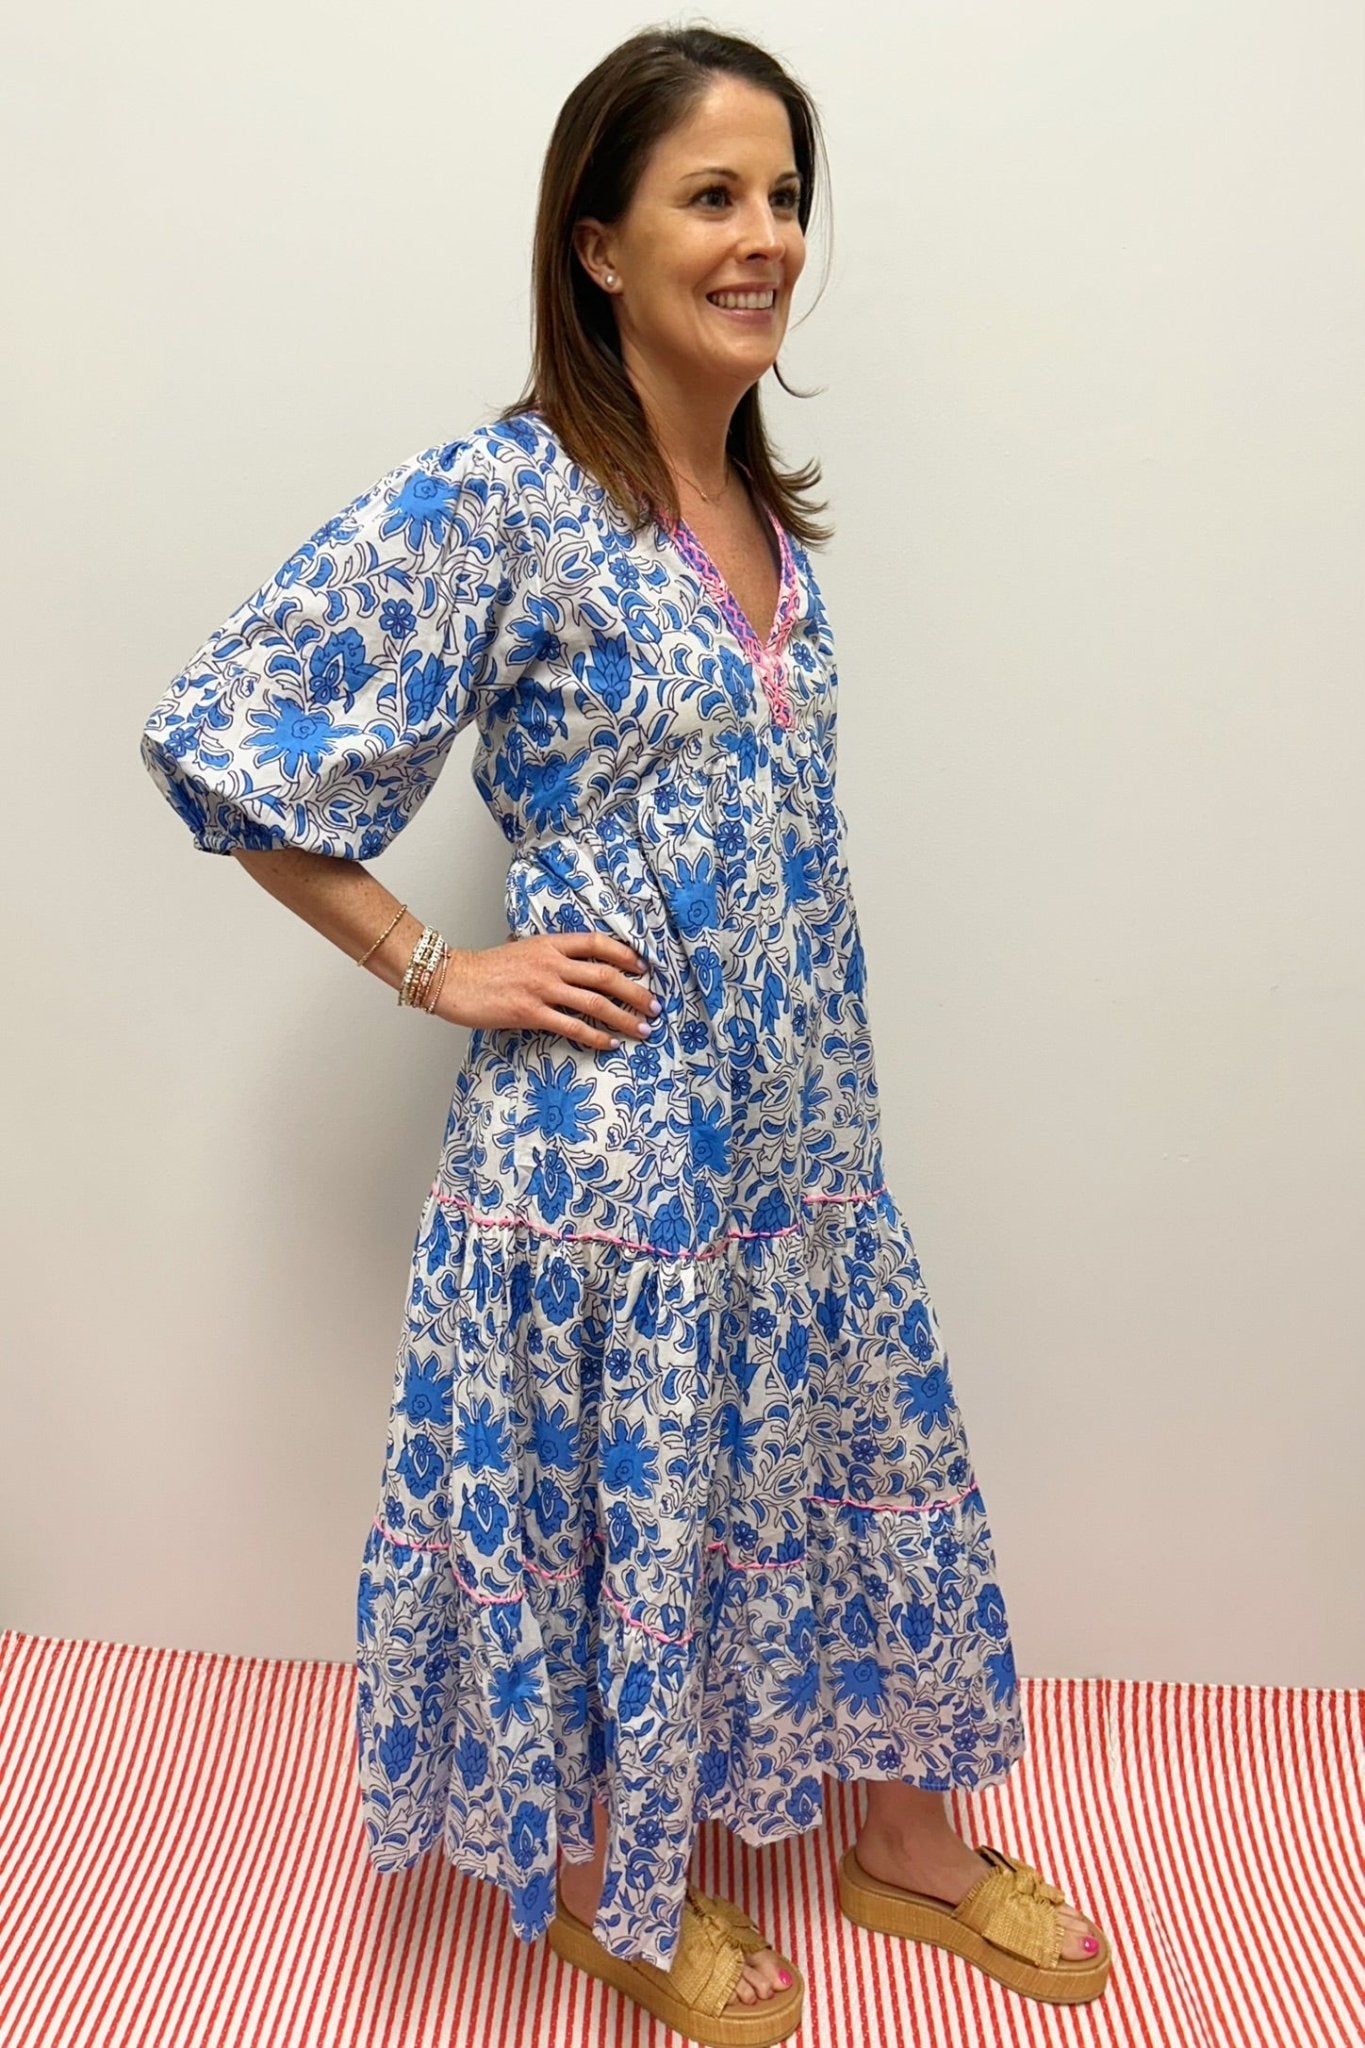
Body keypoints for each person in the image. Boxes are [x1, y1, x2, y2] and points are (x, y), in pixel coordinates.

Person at [140, 23, 1111, 2047]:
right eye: (711, 197)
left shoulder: (755, 507)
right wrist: (434, 963)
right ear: (597, 243)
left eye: (784, 198)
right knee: (612, 1517)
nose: (764, 238)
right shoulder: (503, 499)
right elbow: (224, 733)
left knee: (847, 1458)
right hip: (609, 1169)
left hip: (801, 1154)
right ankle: (605, 1880)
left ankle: (902, 1836)